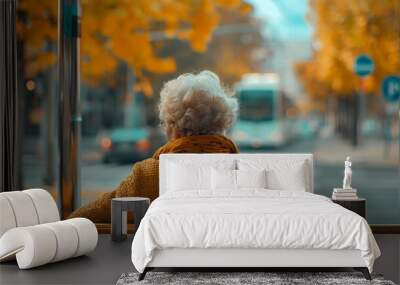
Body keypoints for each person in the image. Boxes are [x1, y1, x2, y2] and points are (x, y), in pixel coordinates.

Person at [69, 70, 239, 222]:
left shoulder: (149, 176)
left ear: (172, 128)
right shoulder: (243, 171)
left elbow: (80, 220)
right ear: (222, 125)